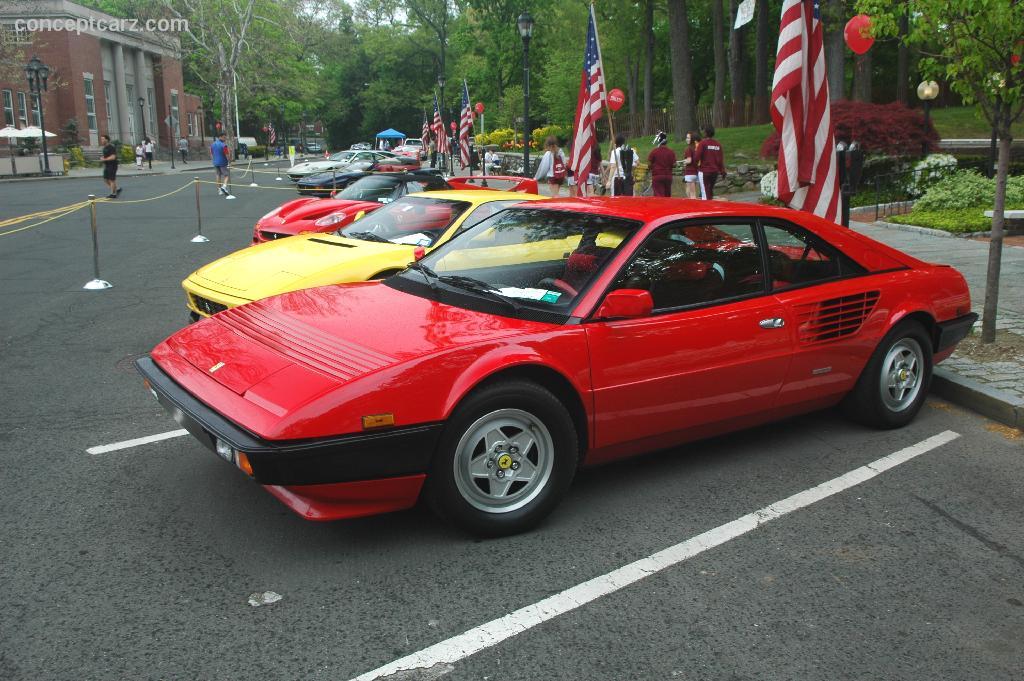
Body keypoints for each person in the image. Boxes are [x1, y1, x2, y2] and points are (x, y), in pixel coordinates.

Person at [695, 125, 726, 200]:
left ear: (705, 133)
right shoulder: (718, 144)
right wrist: (722, 171)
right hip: (714, 172)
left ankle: (706, 209)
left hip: (704, 171)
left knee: (705, 192)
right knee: (710, 191)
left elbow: (696, 157)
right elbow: (720, 160)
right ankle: (710, 205)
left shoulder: (703, 143)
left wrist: (695, 166)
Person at [647, 131, 677, 197]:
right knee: (667, 195)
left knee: (659, 196)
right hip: (668, 176)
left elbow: (649, 164)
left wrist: (652, 167)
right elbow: (674, 165)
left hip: (657, 176)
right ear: (666, 141)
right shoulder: (671, 152)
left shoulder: (654, 152)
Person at [210, 132, 235, 199]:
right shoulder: (223, 145)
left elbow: (211, 153)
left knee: (218, 175)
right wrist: (229, 162)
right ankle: (224, 187)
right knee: (226, 175)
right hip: (222, 162)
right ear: (220, 137)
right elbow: (227, 155)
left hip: (215, 162)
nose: (225, 138)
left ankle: (219, 190)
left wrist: (213, 160)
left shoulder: (213, 144)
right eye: (224, 137)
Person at [99, 134, 121, 199]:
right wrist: (103, 158)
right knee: (105, 179)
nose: (101, 141)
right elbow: (106, 156)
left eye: (103, 139)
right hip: (107, 165)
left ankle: (113, 194)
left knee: (111, 180)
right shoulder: (104, 148)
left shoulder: (111, 147)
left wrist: (104, 159)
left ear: (107, 140)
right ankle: (117, 189)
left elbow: (113, 157)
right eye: (101, 139)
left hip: (113, 165)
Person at [682, 131, 700, 199]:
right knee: (693, 192)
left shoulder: (688, 149)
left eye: (688, 138)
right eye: (686, 138)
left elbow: (689, 160)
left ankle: (692, 207)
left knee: (691, 194)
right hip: (696, 172)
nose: (687, 139)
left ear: (692, 139)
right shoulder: (696, 148)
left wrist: (684, 162)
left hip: (689, 173)